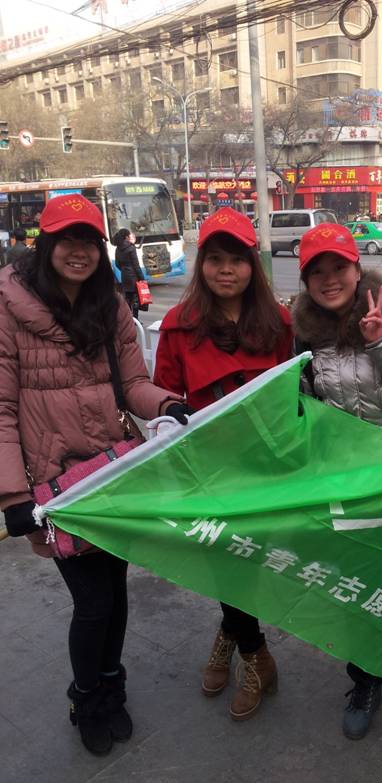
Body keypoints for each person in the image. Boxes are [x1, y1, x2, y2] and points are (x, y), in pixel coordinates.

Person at [0, 194, 191, 757]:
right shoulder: (8, 309)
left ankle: (112, 684)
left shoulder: (110, 307)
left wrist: (166, 404)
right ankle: (86, 697)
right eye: (67, 240)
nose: (79, 251)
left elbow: (132, 385)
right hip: (56, 486)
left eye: (88, 240)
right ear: (46, 245)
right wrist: (11, 495)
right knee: (92, 602)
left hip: (114, 473)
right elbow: (2, 409)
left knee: (115, 589)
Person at [291, 223, 382, 741]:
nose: (330, 279)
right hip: (346, 481)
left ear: (357, 269)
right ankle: (366, 680)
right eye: (318, 271)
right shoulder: (304, 336)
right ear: (306, 281)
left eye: (339, 267)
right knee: (356, 585)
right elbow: (305, 408)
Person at [153, 207, 292, 720]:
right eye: (215, 259)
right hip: (206, 469)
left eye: (237, 259)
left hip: (264, 466)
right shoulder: (178, 326)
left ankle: (230, 635)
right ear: (202, 264)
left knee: (248, 558)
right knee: (222, 558)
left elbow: (290, 393)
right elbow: (165, 398)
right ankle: (257, 655)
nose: (226, 270)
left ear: (253, 266)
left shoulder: (278, 323)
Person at [113, 228, 144, 317]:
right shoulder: (131, 247)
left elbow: (117, 263)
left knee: (128, 298)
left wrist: (124, 270)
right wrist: (141, 277)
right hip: (133, 276)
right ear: (126, 237)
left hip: (124, 275)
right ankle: (135, 318)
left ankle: (128, 317)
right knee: (135, 298)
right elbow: (136, 265)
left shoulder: (118, 249)